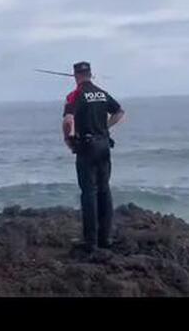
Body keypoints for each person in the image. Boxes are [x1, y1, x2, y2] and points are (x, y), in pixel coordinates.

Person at [62, 61, 125, 252]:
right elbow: (119, 112)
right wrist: (105, 127)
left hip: (87, 147)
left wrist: (68, 139)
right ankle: (105, 238)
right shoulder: (101, 93)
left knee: (88, 192)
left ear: (75, 76)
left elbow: (68, 120)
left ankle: (91, 241)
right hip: (104, 145)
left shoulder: (75, 95)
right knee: (104, 190)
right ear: (90, 74)